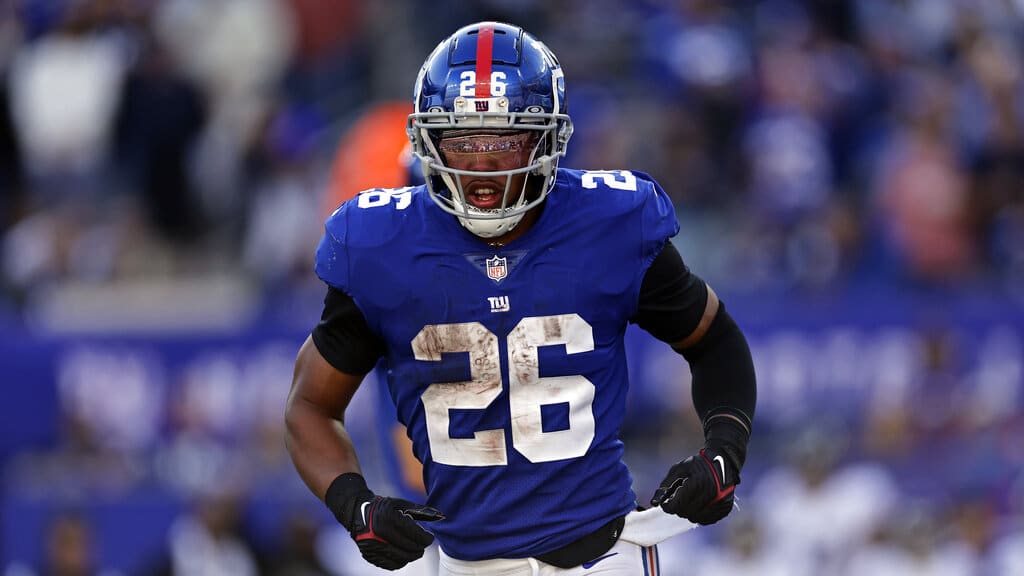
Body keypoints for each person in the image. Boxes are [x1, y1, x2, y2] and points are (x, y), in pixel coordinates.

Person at [285, 21, 757, 575]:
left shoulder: (611, 224)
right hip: (465, 564)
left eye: (506, 140)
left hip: (604, 556)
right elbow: (311, 406)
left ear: (549, 139)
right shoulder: (380, 247)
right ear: (425, 143)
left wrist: (725, 448)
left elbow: (714, 339)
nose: (483, 165)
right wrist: (354, 503)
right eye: (462, 142)